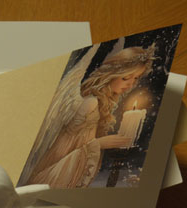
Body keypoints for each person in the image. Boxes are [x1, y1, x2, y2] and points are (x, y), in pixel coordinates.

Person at [26, 46, 154, 188]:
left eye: (136, 78)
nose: (131, 84)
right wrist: (99, 144)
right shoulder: (90, 103)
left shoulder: (102, 102)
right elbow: (64, 153)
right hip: (55, 173)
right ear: (111, 74)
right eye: (125, 78)